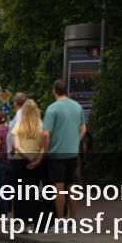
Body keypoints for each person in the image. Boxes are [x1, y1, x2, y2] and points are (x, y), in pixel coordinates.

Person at [41, 79, 85, 220]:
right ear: (66, 90)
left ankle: (60, 221)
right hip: (73, 153)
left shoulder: (52, 108)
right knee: (72, 187)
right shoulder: (77, 107)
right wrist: (75, 139)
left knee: (58, 188)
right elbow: (83, 128)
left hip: (57, 154)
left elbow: (46, 133)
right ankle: (73, 219)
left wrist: (46, 151)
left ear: (54, 90)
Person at [12, 99, 48, 223]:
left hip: (20, 162)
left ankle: (22, 221)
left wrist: (28, 157)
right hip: (38, 163)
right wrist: (37, 159)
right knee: (33, 191)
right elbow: (45, 145)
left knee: (20, 193)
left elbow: (16, 146)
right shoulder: (42, 125)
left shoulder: (18, 126)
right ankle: (35, 220)